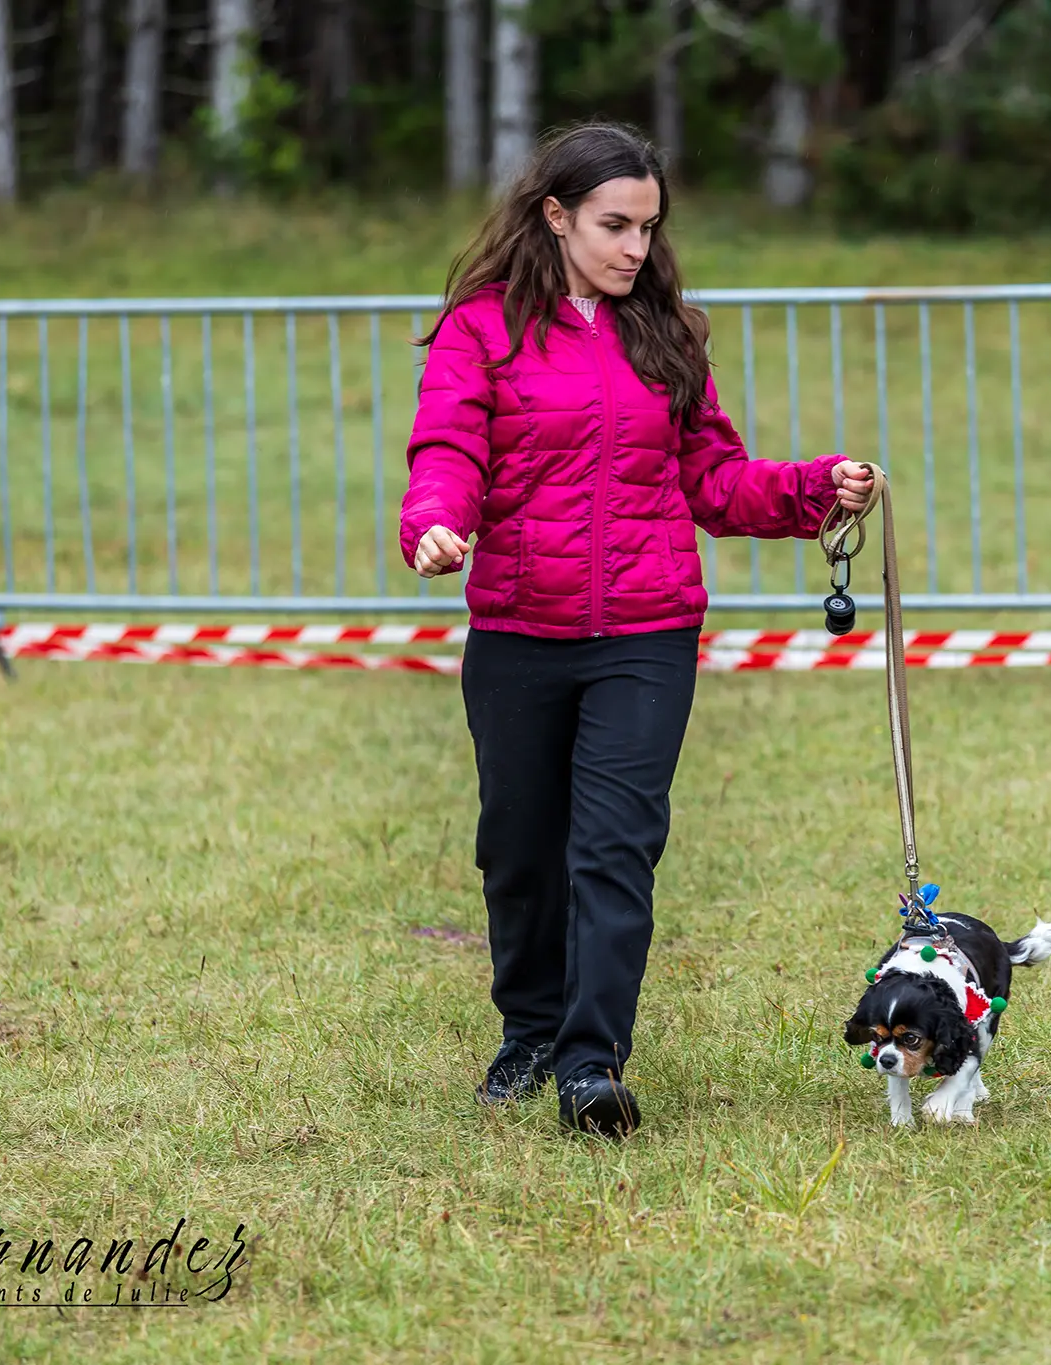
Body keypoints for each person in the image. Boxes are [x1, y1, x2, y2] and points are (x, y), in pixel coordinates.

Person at [400, 121, 876, 1139]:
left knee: (614, 850)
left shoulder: (668, 334)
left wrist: (811, 489)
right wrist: (435, 521)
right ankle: (527, 1030)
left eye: (649, 229)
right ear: (555, 215)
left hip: (645, 634)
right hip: (519, 632)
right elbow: (447, 442)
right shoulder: (479, 330)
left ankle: (589, 1063)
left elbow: (712, 478)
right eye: (614, 227)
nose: (634, 250)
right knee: (519, 852)